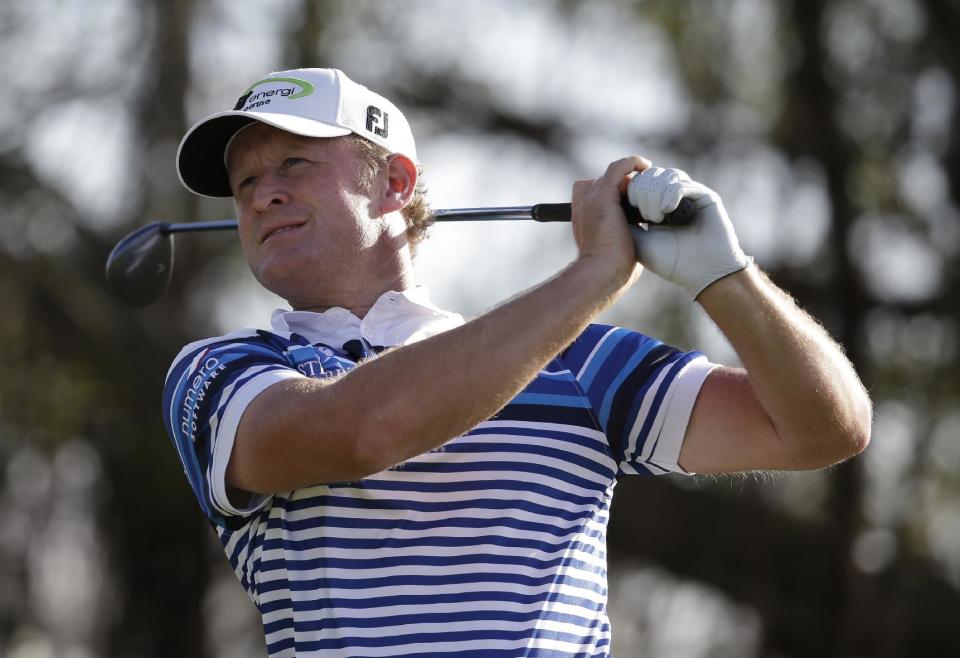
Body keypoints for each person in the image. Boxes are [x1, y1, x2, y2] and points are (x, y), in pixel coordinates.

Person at [162, 68, 871, 657]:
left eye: (294, 163)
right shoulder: (223, 373)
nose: (263, 196)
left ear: (393, 185)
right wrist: (595, 275)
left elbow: (822, 429)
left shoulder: (581, 363)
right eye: (245, 182)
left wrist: (728, 276)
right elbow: (363, 430)